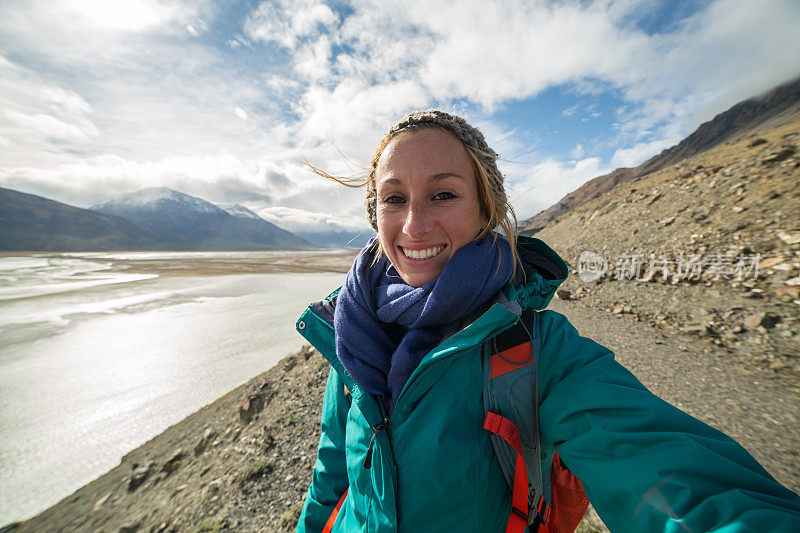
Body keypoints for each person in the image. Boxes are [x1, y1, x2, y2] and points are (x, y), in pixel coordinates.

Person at [294, 110, 800, 532]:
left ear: (485, 209)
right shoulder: (354, 330)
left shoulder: (539, 351)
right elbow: (331, 478)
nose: (414, 224)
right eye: (393, 198)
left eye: (443, 194)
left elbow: (664, 469)